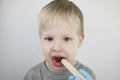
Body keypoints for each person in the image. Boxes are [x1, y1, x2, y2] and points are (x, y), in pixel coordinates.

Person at [24, 0, 96, 80]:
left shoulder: (87, 75)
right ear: (40, 38)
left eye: (66, 39)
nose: (57, 48)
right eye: (49, 39)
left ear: (80, 41)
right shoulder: (32, 76)